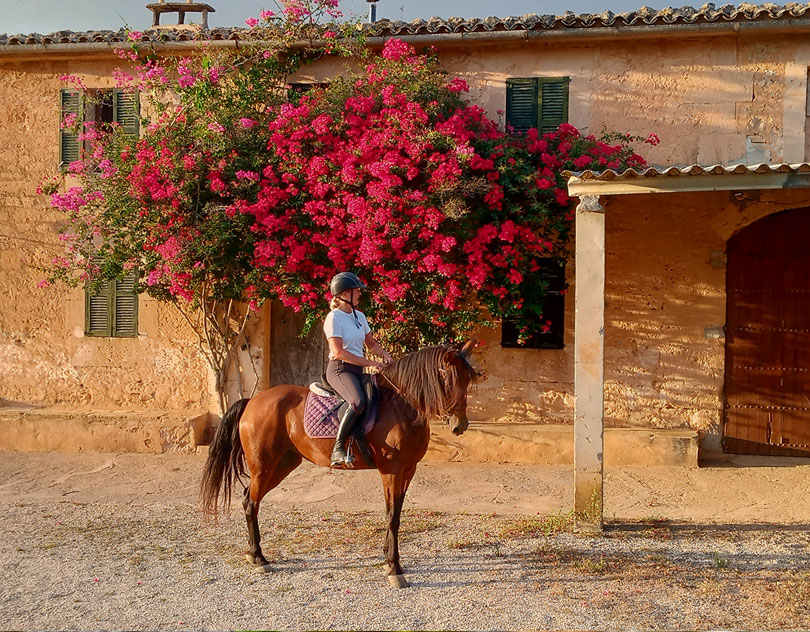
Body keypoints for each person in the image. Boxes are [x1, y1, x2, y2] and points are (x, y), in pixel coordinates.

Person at [323, 271, 392, 467]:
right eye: (356, 291)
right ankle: (338, 448)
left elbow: (371, 344)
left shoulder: (359, 316)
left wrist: (384, 355)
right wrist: (371, 363)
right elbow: (338, 352)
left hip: (357, 371)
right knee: (358, 400)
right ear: (344, 293)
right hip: (340, 370)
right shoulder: (334, 318)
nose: (360, 294)